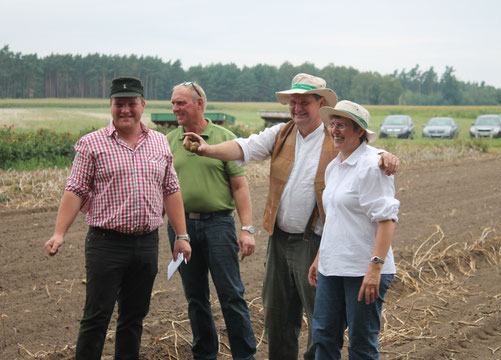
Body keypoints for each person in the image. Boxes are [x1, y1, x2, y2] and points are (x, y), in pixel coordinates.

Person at [183, 73, 399, 360]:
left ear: (320, 102)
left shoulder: (337, 141)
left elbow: (365, 155)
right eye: (293, 102)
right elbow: (245, 147)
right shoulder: (283, 134)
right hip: (282, 240)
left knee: (323, 325)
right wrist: (207, 149)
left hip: (315, 242)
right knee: (279, 316)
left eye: (304, 102)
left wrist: (387, 154)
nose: (297, 107)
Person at [44, 77, 192, 360]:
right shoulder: (92, 144)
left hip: (146, 244)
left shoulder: (160, 142)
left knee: (133, 318)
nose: (125, 110)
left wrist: (182, 236)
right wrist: (59, 232)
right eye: (119, 104)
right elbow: (75, 190)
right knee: (96, 318)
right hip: (106, 244)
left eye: (131, 104)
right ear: (110, 106)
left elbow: (171, 190)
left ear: (142, 106)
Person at [166, 81, 257, 360]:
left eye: (181, 103)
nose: (175, 108)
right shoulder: (168, 141)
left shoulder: (223, 138)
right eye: (173, 103)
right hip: (182, 230)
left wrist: (247, 229)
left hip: (219, 225)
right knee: (195, 298)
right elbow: (162, 187)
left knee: (231, 294)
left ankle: (244, 355)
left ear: (199, 104)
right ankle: (205, 355)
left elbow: (240, 187)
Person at [308, 100, 398, 359]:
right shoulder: (334, 167)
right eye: (332, 124)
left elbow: (387, 219)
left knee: (361, 343)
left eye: (342, 125)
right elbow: (334, 218)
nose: (334, 130)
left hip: (363, 270)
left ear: (359, 131)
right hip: (331, 267)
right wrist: (319, 258)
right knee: (323, 336)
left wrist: (375, 269)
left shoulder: (372, 166)